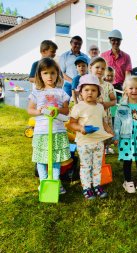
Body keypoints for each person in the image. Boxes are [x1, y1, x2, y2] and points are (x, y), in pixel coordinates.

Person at [27, 57, 71, 195]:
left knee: (56, 158)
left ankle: (56, 182)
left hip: (57, 130)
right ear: (40, 74)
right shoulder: (36, 93)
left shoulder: (61, 92)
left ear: (57, 74)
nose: (49, 76)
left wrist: (58, 110)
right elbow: (30, 110)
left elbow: (66, 110)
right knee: (41, 158)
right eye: (45, 73)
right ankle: (44, 181)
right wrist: (39, 111)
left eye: (52, 73)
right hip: (42, 132)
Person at [69, 74, 114, 200]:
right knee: (86, 165)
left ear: (98, 93)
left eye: (93, 90)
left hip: (98, 142)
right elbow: (72, 123)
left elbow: (103, 121)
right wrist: (81, 128)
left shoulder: (100, 107)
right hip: (84, 143)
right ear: (81, 93)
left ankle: (97, 185)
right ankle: (87, 188)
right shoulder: (78, 107)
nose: (90, 93)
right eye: (86, 90)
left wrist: (109, 130)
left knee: (97, 165)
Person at [89, 57, 117, 154]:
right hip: (91, 115)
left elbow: (114, 101)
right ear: (90, 68)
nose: (100, 70)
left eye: (103, 68)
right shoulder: (87, 84)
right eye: (97, 67)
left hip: (105, 115)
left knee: (105, 134)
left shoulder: (108, 85)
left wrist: (106, 104)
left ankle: (105, 150)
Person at [100, 29, 132, 101]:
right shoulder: (103, 55)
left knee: (119, 108)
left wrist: (126, 88)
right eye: (114, 40)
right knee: (106, 107)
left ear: (121, 41)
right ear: (110, 41)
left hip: (120, 87)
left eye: (118, 40)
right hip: (106, 86)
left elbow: (128, 75)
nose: (116, 42)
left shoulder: (126, 56)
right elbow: (101, 72)